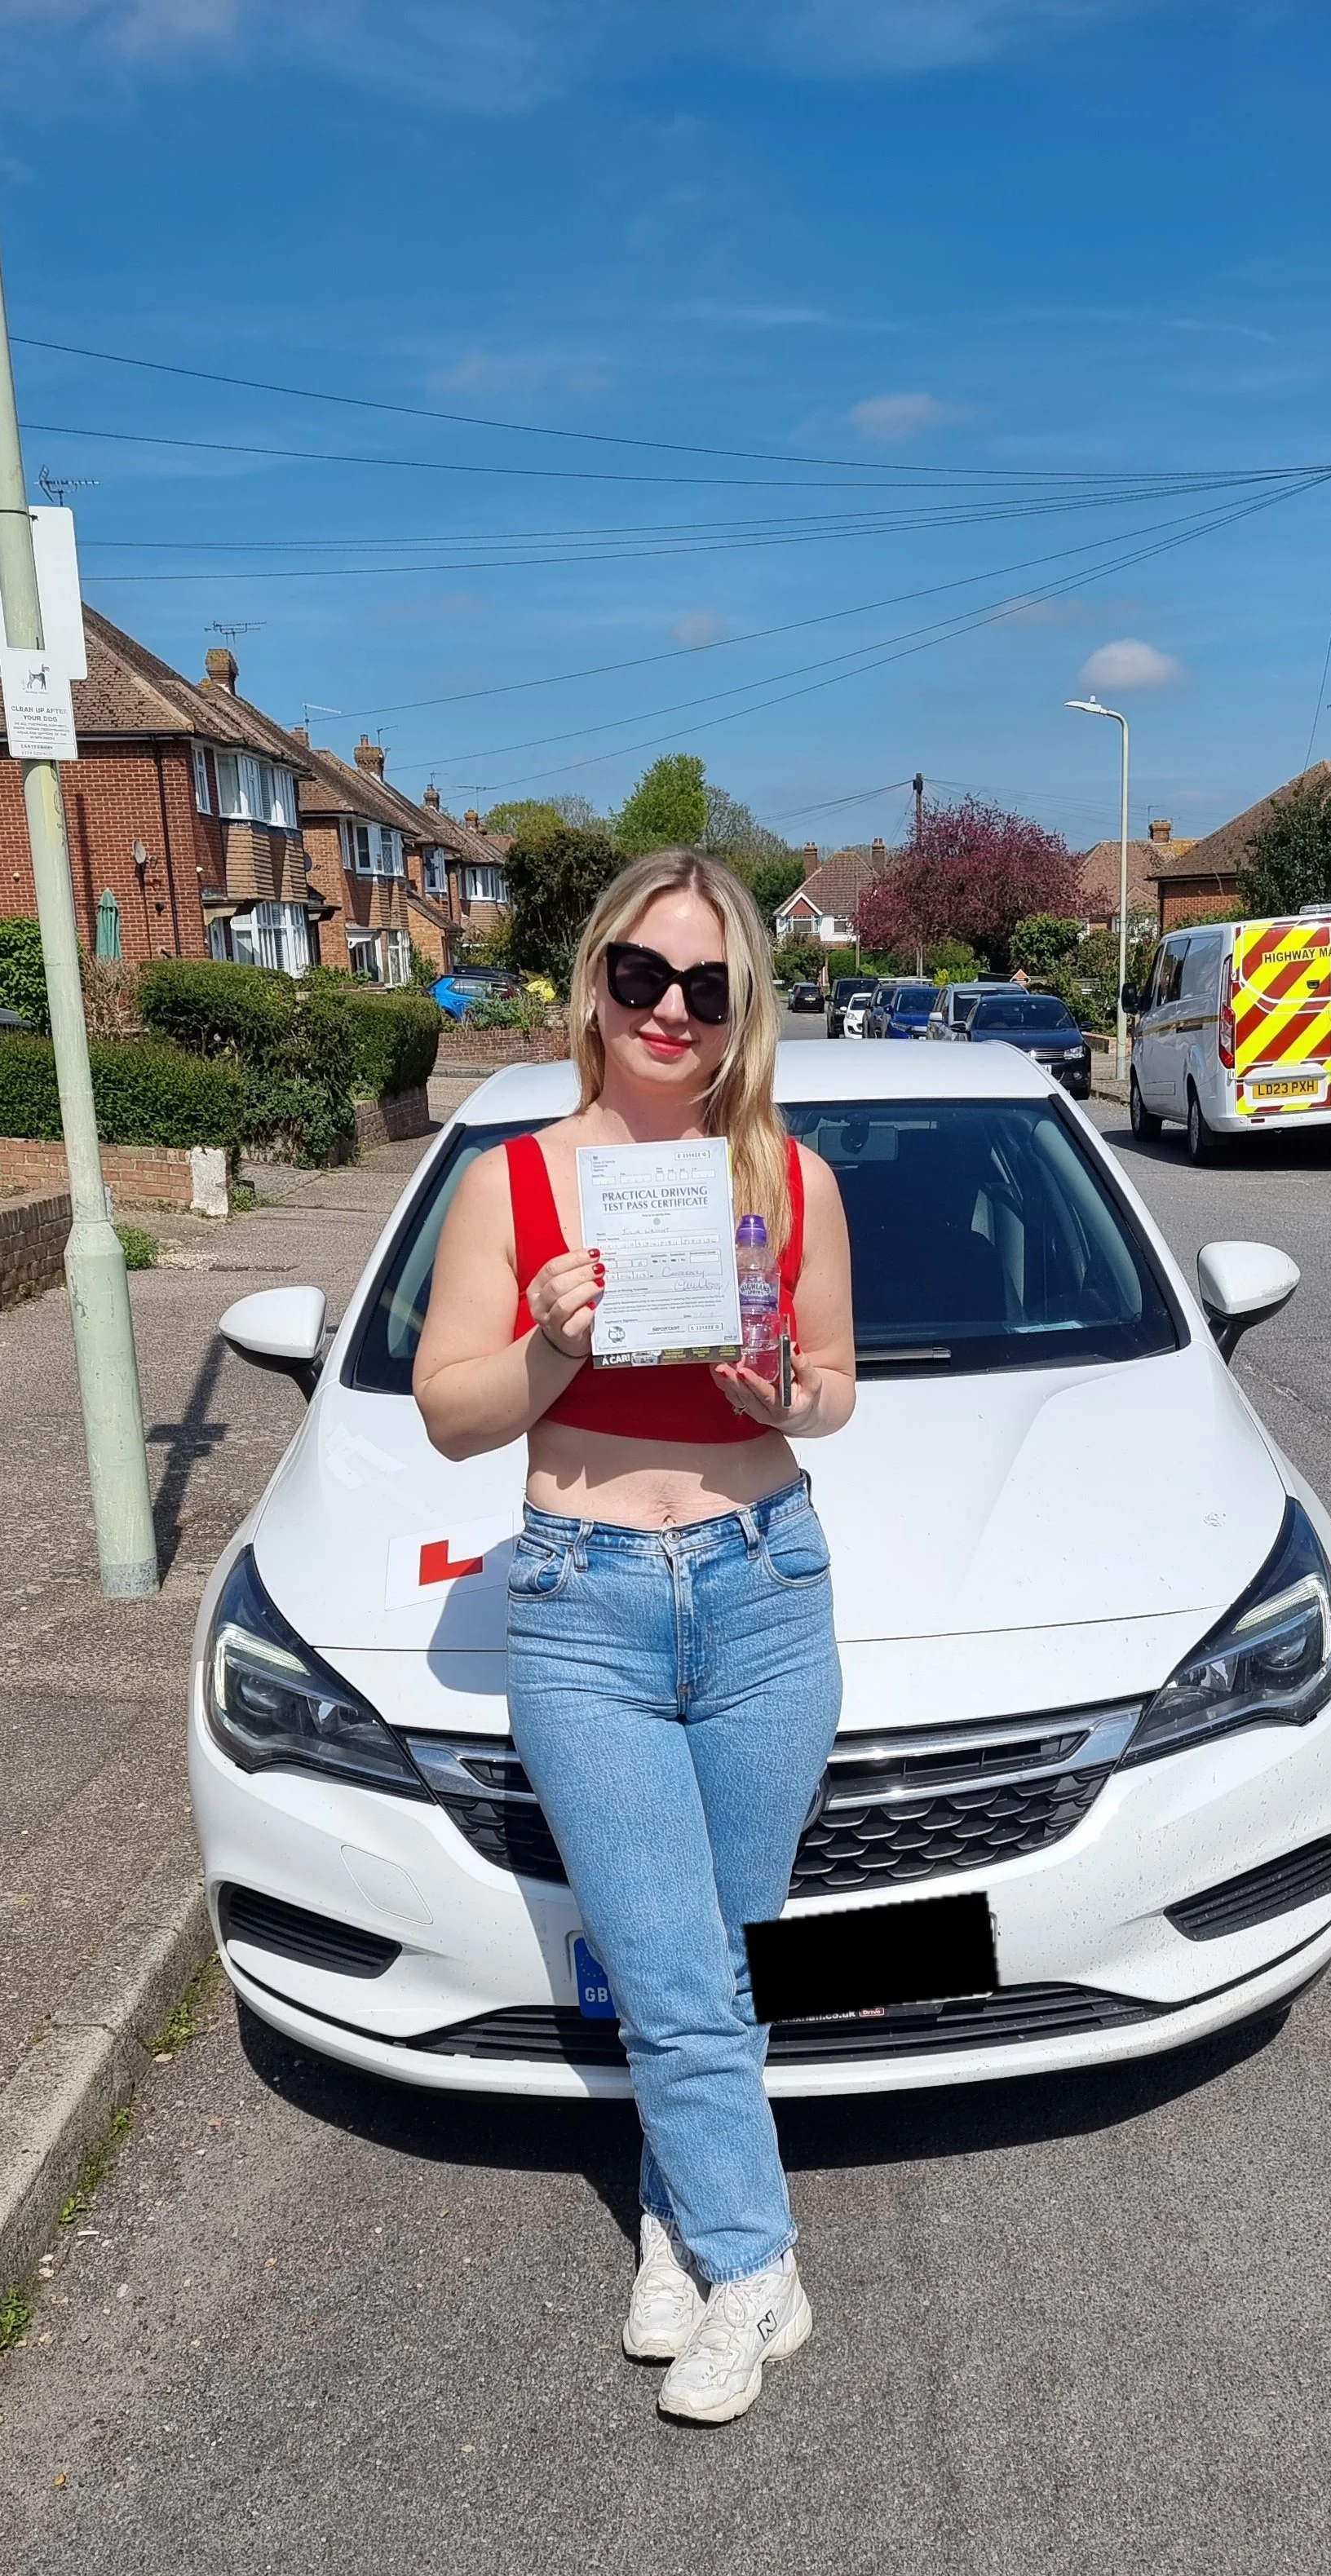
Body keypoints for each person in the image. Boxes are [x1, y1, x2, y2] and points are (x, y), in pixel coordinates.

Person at [413, 851, 856, 2425]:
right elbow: (450, 1415)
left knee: (707, 1947)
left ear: (745, 1015)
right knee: (669, 1963)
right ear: (596, 984)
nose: (672, 1012)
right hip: (584, 1598)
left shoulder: (790, 1180)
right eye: (644, 979)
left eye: (710, 988)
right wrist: (546, 1340)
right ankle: (758, 2269)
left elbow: (835, 1390)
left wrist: (769, 1393)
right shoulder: (508, 1182)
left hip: (764, 1585)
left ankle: (674, 2219)